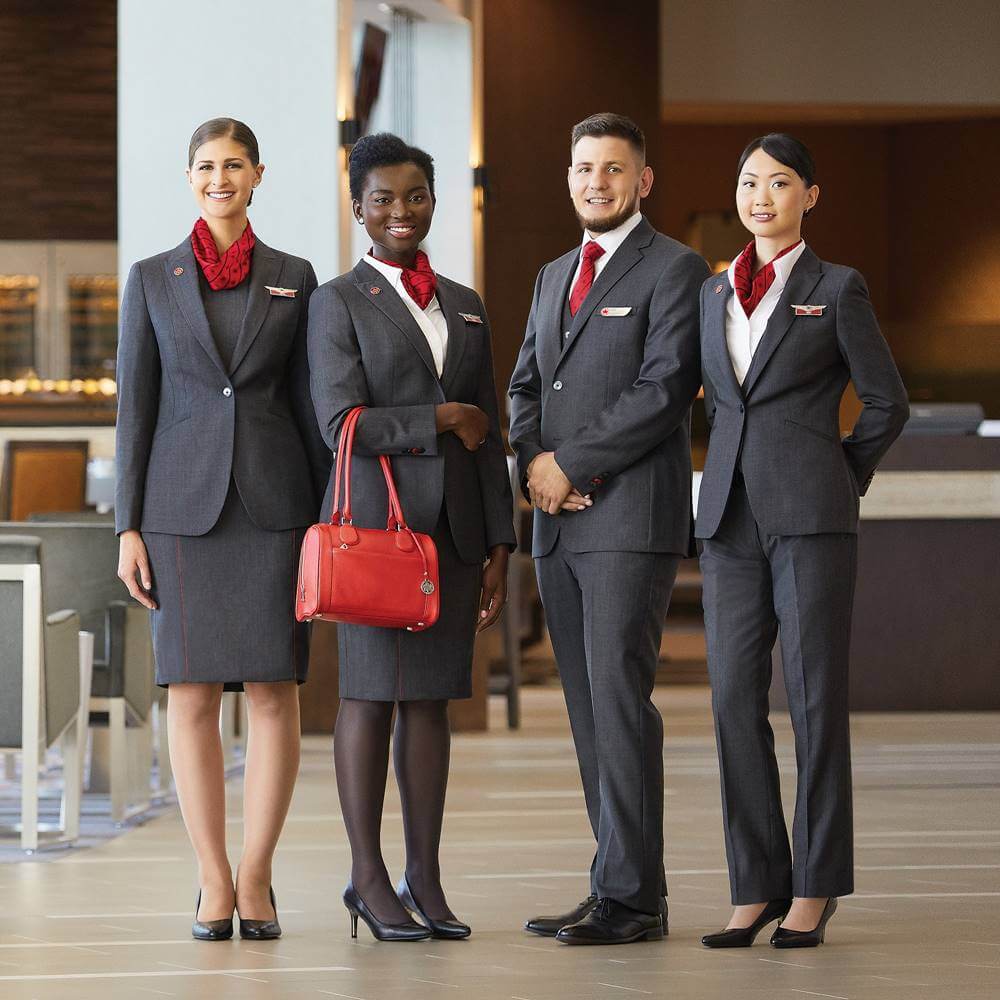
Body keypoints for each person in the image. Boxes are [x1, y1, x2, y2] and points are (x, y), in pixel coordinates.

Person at [115, 117, 330, 942]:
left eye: (233, 165)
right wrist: (128, 526)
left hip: (276, 506)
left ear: (258, 175)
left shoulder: (294, 276)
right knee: (193, 694)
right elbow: (136, 409)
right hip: (180, 512)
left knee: (276, 692)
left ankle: (258, 875)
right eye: (206, 165)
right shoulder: (151, 277)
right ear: (189, 176)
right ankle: (210, 878)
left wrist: (325, 521)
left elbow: (311, 408)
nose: (219, 178)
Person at [696, 133, 908, 949]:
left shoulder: (837, 287)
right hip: (729, 522)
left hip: (812, 521)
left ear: (808, 197)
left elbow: (886, 404)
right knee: (730, 702)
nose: (760, 197)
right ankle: (755, 886)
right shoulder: (713, 293)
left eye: (778, 183)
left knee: (815, 702)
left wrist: (838, 473)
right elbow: (710, 402)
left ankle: (814, 889)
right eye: (749, 182)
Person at [307, 132, 515, 942]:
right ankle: (366, 879)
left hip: (457, 536)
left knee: (432, 705)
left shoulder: (463, 302)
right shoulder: (337, 301)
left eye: (416, 196)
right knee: (367, 699)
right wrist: (438, 419)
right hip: (378, 535)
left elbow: (490, 430)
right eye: (384, 198)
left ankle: (423, 879)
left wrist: (501, 543)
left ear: (436, 201)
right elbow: (338, 422)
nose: (402, 212)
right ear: (358, 207)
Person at [508, 112, 709, 945]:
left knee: (620, 701)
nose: (597, 181)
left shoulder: (676, 268)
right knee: (588, 708)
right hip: (559, 522)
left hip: (629, 517)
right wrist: (534, 467)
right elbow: (522, 386)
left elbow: (665, 390)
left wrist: (573, 466)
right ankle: (616, 883)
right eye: (584, 166)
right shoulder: (556, 273)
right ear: (569, 176)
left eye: (614, 169)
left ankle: (633, 900)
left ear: (643, 181)